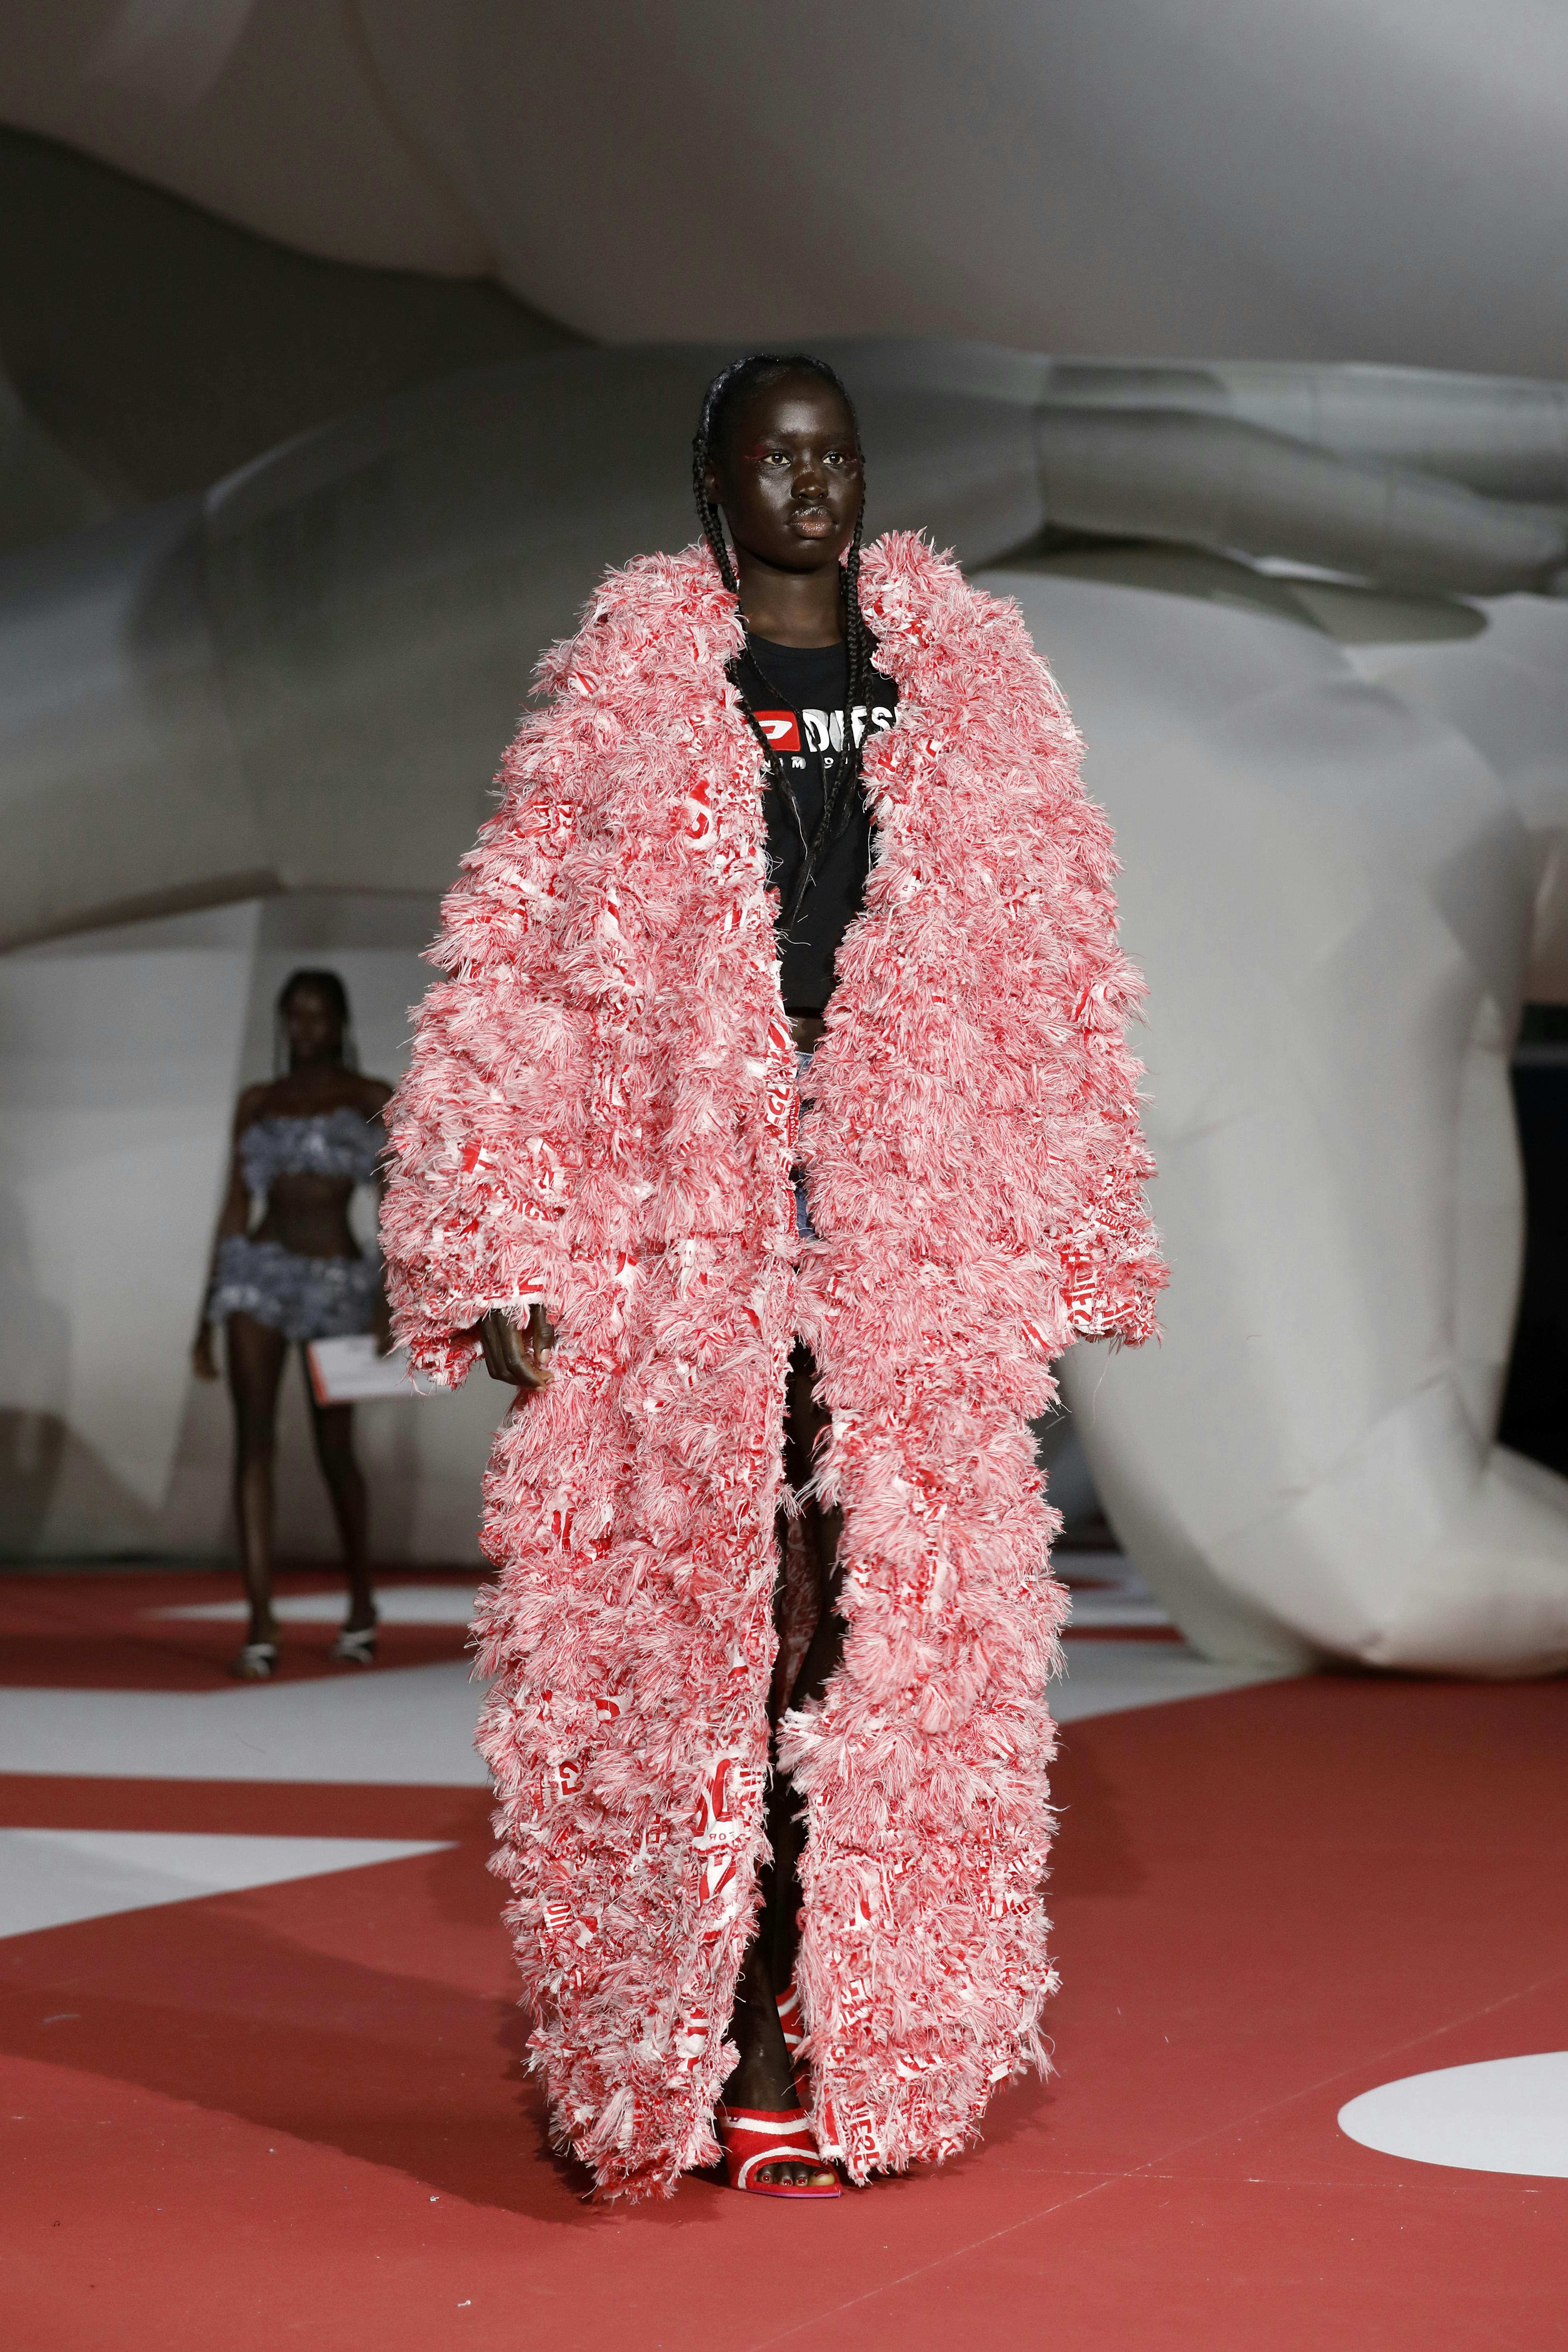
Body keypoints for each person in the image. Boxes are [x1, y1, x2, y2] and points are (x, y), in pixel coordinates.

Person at [379, 354, 1166, 2201]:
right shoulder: (629, 699)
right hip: (682, 1242)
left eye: (838, 457)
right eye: (775, 455)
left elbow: (1062, 978)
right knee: (684, 1636)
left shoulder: (971, 700)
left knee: (883, 1636)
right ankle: (695, 2023)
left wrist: (1074, 1229)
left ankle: (848, 2016)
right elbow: (511, 973)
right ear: (715, 478)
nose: (812, 485)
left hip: (900, 1241)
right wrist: (494, 1231)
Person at [193, 970, 392, 1680]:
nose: (305, 1031)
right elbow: (232, 1208)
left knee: (335, 1451)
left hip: (338, 1281)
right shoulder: (259, 1102)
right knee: (253, 1441)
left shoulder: (371, 1099)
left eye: (317, 1017)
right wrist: (205, 1316)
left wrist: (388, 1302)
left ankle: (363, 1602)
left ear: (340, 1020)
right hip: (258, 1276)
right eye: (294, 1019)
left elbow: (394, 1211)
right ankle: (259, 1616)